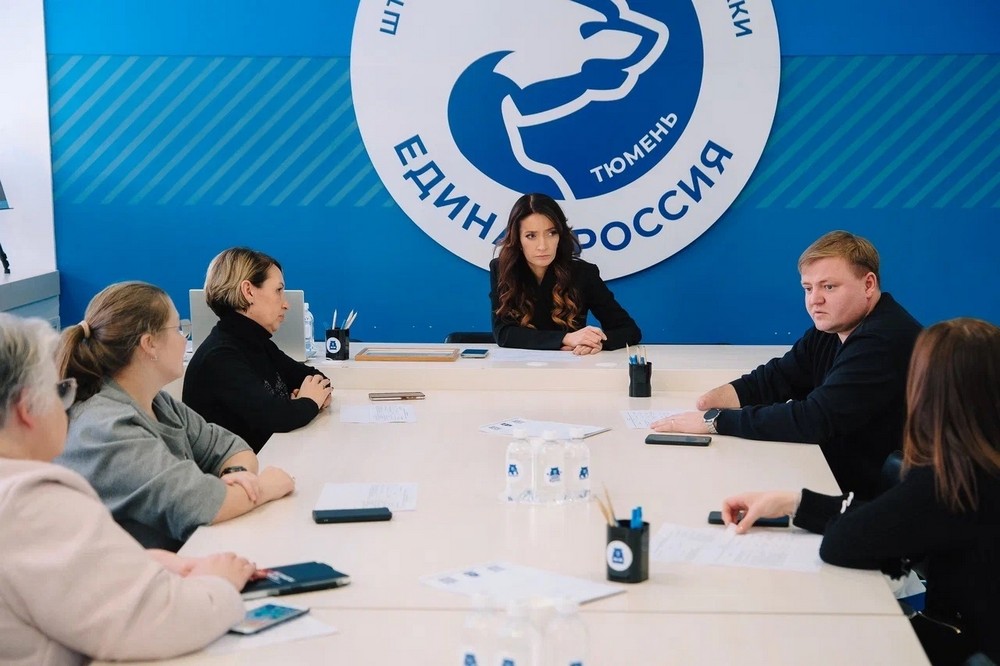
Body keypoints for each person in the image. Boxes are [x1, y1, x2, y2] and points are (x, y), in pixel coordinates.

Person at [721, 319, 1000, 665]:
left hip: (968, 646)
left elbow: (844, 542)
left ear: (927, 390)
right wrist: (795, 502)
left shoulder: (953, 479)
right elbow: (887, 516)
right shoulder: (981, 464)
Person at [0, 313, 255, 664]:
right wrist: (219, 582)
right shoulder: (31, 502)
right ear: (26, 408)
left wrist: (142, 562)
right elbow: (159, 623)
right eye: (59, 391)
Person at [652, 231, 922, 498]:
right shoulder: (831, 329)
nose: (815, 300)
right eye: (808, 288)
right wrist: (705, 403)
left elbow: (813, 419)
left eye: (829, 287)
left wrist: (715, 421)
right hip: (838, 479)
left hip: (875, 500)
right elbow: (777, 378)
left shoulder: (882, 339)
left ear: (868, 284)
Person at [56, 281, 295, 551]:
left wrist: (237, 477)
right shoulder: (107, 428)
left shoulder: (157, 401)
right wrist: (263, 487)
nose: (184, 339)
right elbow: (198, 505)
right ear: (149, 344)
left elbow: (232, 447)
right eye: (178, 329)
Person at [184, 247, 332, 452]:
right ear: (248, 291)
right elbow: (277, 417)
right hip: (243, 470)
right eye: (278, 290)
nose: (286, 304)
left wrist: (302, 403)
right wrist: (308, 402)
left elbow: (319, 380)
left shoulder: (257, 342)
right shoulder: (219, 356)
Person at [490, 193, 641, 354]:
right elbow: (503, 333)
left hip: (573, 365)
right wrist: (566, 338)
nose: (543, 246)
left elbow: (629, 330)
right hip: (517, 366)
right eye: (531, 236)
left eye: (551, 233)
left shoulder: (583, 273)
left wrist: (594, 342)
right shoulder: (503, 268)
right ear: (518, 240)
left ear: (560, 235)